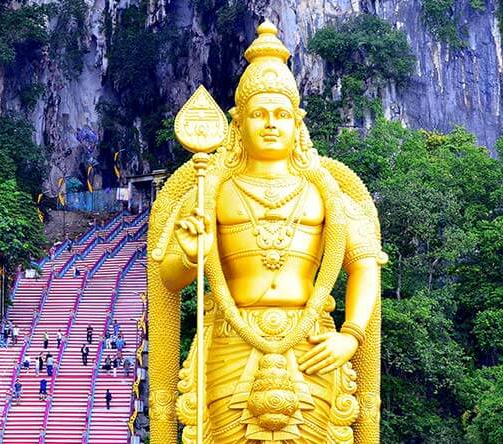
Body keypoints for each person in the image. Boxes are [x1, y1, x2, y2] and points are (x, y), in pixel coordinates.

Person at [147, 21, 387, 444]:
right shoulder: (211, 190)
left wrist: (351, 335)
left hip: (311, 342)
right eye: (259, 114)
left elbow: (364, 264)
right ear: (238, 123)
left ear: (298, 122)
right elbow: (167, 280)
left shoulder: (325, 189)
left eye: (281, 115)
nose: (270, 124)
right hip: (230, 340)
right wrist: (188, 255)